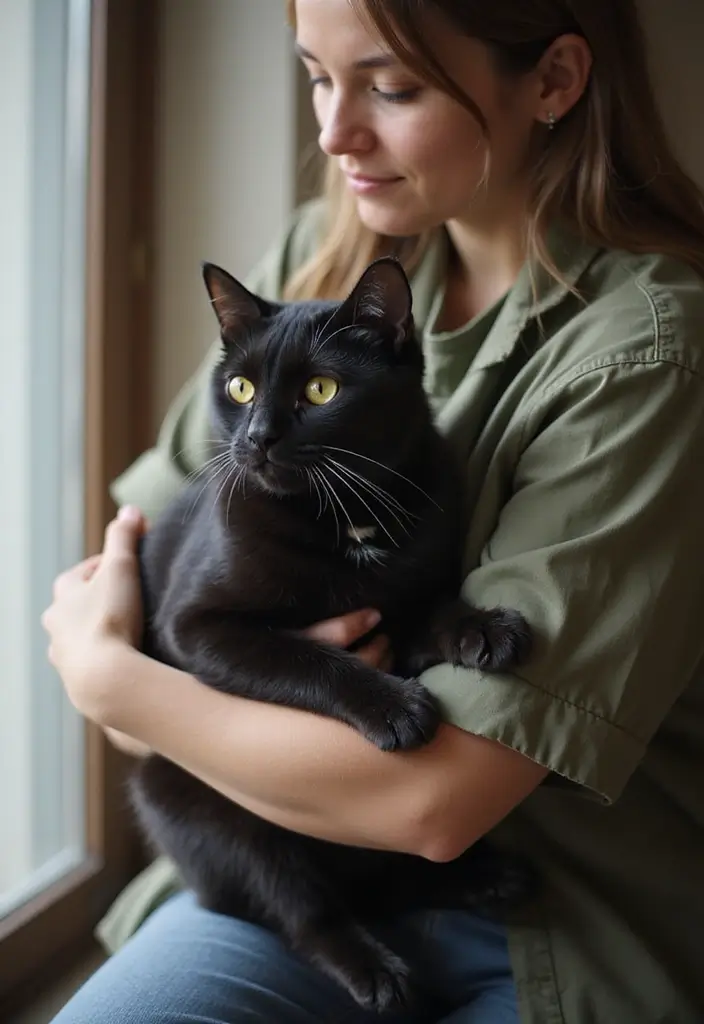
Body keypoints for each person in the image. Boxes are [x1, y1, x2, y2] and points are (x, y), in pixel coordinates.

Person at [41, 1, 704, 1021]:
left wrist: (121, 691)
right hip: (278, 862)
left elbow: (430, 804)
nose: (331, 131)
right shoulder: (317, 260)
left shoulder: (647, 352)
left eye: (391, 87)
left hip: (550, 921)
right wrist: (126, 678)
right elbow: (119, 582)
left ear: (554, 80)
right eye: (315, 75)